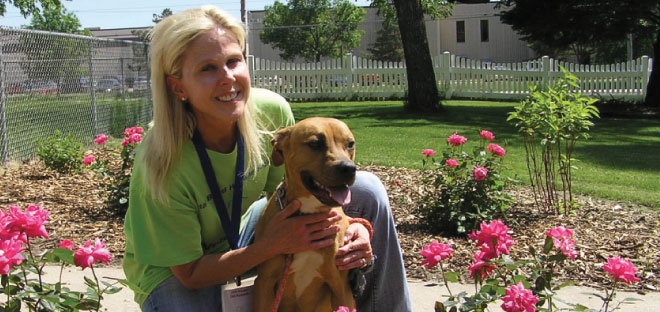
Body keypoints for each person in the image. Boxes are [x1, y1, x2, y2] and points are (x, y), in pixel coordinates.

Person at [122, 5, 412, 312]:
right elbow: (191, 274)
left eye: (234, 61)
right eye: (207, 68)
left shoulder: (271, 113)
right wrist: (272, 246)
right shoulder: (163, 160)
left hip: (244, 233)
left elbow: (290, 195)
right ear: (177, 86)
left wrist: (352, 226)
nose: (227, 78)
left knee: (367, 189)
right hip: (179, 272)